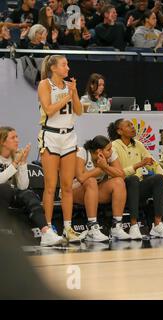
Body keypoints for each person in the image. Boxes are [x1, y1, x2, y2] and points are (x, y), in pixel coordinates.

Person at [37, 55, 83, 242]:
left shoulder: (70, 85)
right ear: (54, 68)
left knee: (67, 187)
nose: (68, 68)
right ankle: (46, 231)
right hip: (51, 136)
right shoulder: (45, 84)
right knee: (50, 187)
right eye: (64, 65)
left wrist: (74, 93)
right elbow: (48, 110)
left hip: (69, 136)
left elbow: (79, 111)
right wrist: (67, 97)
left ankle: (68, 228)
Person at [108, 119, 163, 239]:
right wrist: (138, 165)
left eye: (132, 125)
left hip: (136, 186)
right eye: (128, 126)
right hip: (121, 187)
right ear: (119, 131)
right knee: (133, 179)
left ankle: (157, 225)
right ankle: (134, 226)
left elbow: (153, 163)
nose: (133, 128)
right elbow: (119, 173)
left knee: (158, 178)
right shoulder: (113, 146)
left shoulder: (138, 144)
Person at [0, 127, 63, 247]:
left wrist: (23, 163)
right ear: (2, 142)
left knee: (29, 194)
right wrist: (14, 164)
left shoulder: (14, 158)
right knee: (5, 188)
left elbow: (23, 186)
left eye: (17, 137)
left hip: (10, 195)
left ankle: (46, 233)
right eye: (13, 137)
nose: (17, 140)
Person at [73, 135, 131, 242]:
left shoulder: (110, 155)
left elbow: (121, 175)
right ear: (99, 151)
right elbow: (81, 178)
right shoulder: (83, 152)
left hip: (94, 191)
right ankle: (92, 228)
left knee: (119, 182)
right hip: (75, 191)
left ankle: (116, 227)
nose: (111, 151)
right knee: (91, 181)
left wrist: (106, 167)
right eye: (108, 149)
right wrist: (99, 169)